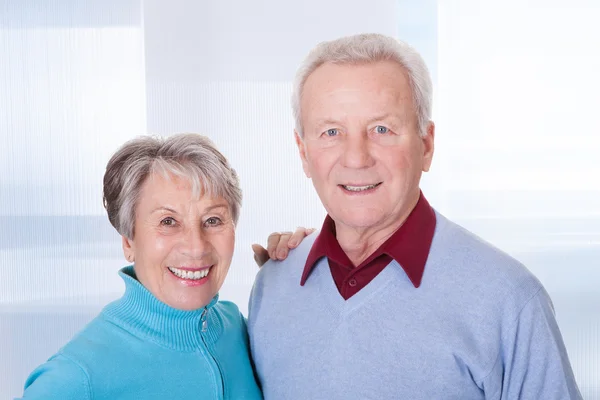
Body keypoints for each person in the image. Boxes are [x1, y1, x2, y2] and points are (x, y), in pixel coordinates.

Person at [248, 33, 583, 399]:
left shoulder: (510, 300)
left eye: (381, 129)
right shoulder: (273, 286)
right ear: (303, 152)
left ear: (426, 144)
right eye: (331, 132)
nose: (356, 158)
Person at [19, 133, 263, 399]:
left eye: (213, 220)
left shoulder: (235, 328)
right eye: (168, 221)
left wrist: (294, 266)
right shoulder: (78, 375)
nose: (196, 247)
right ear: (128, 241)